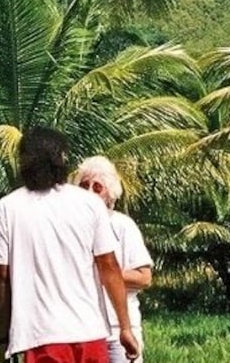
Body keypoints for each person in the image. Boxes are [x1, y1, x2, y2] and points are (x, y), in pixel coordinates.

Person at [0, 127, 139, 363]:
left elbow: (2, 278)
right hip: (90, 332)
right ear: (62, 159)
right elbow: (109, 267)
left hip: (41, 336)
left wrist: (3, 339)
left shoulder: (8, 208)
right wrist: (125, 328)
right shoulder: (89, 204)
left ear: (24, 162)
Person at [73, 156, 154, 363]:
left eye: (97, 187)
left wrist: (105, 273)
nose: (89, 192)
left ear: (109, 194)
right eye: (84, 186)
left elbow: (144, 278)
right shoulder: (70, 229)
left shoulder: (123, 226)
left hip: (119, 332)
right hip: (81, 332)